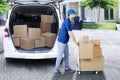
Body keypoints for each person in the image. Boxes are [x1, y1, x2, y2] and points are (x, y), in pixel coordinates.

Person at [54, 9, 78, 74]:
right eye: (74, 14)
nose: (75, 15)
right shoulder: (67, 22)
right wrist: (76, 43)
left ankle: (67, 68)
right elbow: (70, 33)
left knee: (67, 55)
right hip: (62, 42)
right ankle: (56, 70)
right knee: (60, 56)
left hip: (65, 42)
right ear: (70, 14)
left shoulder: (69, 21)